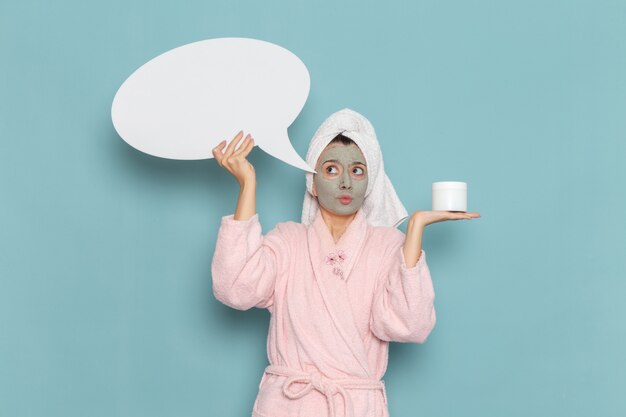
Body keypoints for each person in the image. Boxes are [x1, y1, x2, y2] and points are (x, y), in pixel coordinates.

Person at [211, 109, 480, 417]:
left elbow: (410, 325)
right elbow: (235, 288)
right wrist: (248, 184)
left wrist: (415, 230)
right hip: (289, 406)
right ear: (312, 182)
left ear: (371, 181)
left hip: (354, 406)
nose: (345, 183)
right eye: (330, 169)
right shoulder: (288, 241)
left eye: (357, 171)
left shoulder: (388, 246)